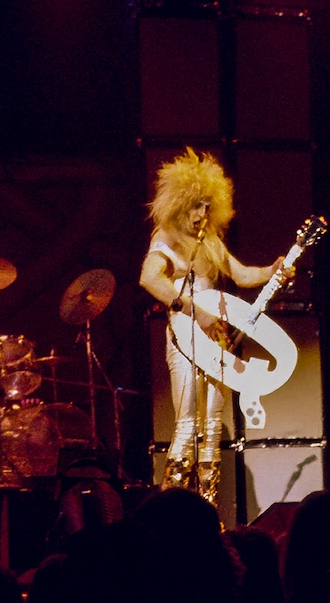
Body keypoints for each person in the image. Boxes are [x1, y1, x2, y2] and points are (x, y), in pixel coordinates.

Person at [138, 148, 289, 504]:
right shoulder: (167, 238)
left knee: (211, 425)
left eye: (208, 206)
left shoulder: (210, 242)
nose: (203, 213)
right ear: (180, 203)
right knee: (188, 421)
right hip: (186, 333)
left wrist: (271, 272)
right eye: (196, 205)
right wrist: (191, 308)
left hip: (214, 337)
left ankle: (208, 508)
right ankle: (171, 510)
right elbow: (149, 278)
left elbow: (240, 274)